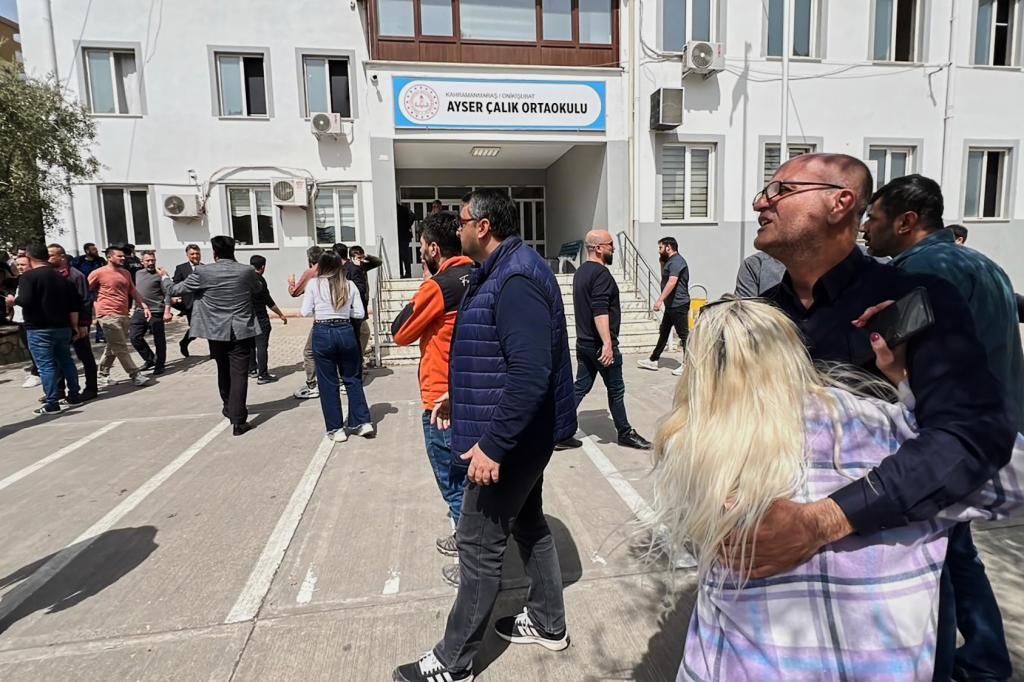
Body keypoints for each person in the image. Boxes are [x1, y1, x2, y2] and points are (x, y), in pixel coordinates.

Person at [747, 152, 1017, 681]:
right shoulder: (759, 316)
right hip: (781, 613)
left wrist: (822, 520)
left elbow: (971, 436)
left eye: (778, 191)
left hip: (889, 609)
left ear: (839, 203)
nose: (760, 202)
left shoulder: (914, 297)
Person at [651, 298, 1024, 679]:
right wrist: (912, 385)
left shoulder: (690, 452)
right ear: (794, 352)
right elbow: (1015, 480)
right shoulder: (893, 432)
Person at [394, 189, 577, 682]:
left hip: (511, 440)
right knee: (530, 524)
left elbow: (530, 372)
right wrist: (460, 396)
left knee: (477, 546)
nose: (457, 229)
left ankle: (454, 662)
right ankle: (547, 622)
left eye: (462, 221)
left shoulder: (514, 278)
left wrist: (494, 445)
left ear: (484, 227)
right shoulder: (500, 270)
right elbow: (496, 357)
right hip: (520, 432)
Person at [862, 174, 1024, 680]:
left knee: (932, 556)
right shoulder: (978, 261)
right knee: (957, 552)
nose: (866, 226)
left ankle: (944, 665)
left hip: (951, 435)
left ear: (906, 221)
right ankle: (985, 658)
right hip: (997, 428)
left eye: (874, 216)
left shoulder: (921, 271)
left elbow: (895, 356)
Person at [390, 211, 474, 582]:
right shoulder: (480, 272)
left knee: (455, 484)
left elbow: (400, 332)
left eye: (422, 246)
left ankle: (472, 563)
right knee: (470, 481)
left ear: (434, 249)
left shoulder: (441, 285)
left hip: (442, 401)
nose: (420, 251)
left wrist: (427, 284)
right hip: (473, 392)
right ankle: (466, 539)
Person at [560, 229, 651, 451]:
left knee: (580, 386)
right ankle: (625, 432)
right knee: (616, 389)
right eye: (610, 244)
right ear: (598, 248)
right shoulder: (601, 274)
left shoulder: (581, 272)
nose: (614, 248)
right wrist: (608, 344)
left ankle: (559, 431)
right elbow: (599, 310)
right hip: (600, 345)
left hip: (584, 342)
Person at [169, 236, 260, 436]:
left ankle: (229, 407)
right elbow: (257, 289)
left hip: (216, 331)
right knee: (239, 374)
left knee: (223, 369)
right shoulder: (247, 271)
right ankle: (238, 420)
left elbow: (175, 289)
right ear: (233, 250)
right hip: (241, 330)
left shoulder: (203, 272)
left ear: (214, 253)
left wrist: (164, 277)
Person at [300, 251, 372, 442]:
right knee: (352, 378)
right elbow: (359, 313)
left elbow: (305, 311)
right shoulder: (349, 285)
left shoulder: (314, 284)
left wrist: (321, 308)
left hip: (323, 331)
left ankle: (336, 428)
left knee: (328, 382)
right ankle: (362, 422)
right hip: (345, 330)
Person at [13, 244, 83, 415]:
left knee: (46, 366)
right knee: (66, 361)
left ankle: (52, 402)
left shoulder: (29, 277)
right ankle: (74, 395)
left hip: (39, 328)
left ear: (30, 257)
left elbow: (26, 300)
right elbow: (74, 305)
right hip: (62, 326)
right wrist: (75, 327)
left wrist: (12, 301)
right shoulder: (62, 276)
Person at [88, 246, 153, 388]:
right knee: (120, 346)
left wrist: (144, 306)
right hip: (107, 315)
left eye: (123, 256)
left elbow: (132, 290)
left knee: (113, 346)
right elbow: (85, 289)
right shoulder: (98, 273)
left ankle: (102, 375)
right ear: (109, 257)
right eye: (119, 256)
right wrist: (93, 308)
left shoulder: (125, 273)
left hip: (123, 313)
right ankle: (135, 375)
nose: (123, 258)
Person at [48, 244, 98, 401]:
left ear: (61, 256)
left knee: (84, 354)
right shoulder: (49, 275)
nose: (48, 258)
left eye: (51, 255)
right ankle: (59, 389)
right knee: (57, 356)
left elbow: (85, 301)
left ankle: (91, 388)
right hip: (58, 323)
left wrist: (83, 324)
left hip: (78, 323)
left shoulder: (76, 276)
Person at [637, 237, 690, 376]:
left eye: (661, 248)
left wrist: (659, 300)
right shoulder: (669, 262)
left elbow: (672, 282)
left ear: (669, 247)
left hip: (679, 303)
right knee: (664, 331)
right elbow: (664, 278)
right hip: (671, 304)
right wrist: (661, 262)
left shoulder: (677, 261)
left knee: (684, 335)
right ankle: (653, 360)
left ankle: (688, 364)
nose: (659, 250)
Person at [127, 250, 173, 376]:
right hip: (140, 310)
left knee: (159, 340)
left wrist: (167, 311)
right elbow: (135, 292)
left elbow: (168, 293)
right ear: (142, 262)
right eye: (148, 260)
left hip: (157, 311)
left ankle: (160, 364)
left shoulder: (160, 274)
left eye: (153, 260)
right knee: (134, 337)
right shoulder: (137, 273)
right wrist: (132, 308)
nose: (151, 263)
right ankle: (150, 359)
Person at [288, 245, 325, 399]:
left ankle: (312, 385)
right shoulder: (334, 271)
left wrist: (291, 282)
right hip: (341, 318)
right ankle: (339, 381)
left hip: (321, 319)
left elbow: (295, 292)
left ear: (310, 258)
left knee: (309, 352)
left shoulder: (311, 273)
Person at [249, 255, 287, 384]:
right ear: (263, 267)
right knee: (261, 346)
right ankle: (263, 374)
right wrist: (281, 314)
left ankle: (252, 369)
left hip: (247, 317)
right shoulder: (260, 280)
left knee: (250, 345)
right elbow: (268, 301)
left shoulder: (244, 279)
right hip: (260, 317)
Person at [6, 254, 41, 388]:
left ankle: (37, 373)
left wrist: (13, 301)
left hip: (31, 320)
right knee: (30, 348)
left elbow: (28, 300)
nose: (20, 267)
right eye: (18, 265)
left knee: (35, 348)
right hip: (21, 319)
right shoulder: (21, 279)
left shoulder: (32, 279)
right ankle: (36, 370)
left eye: (23, 265)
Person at [349, 245, 383, 358]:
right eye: (358, 258)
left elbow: (378, 262)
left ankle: (358, 356)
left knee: (361, 333)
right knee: (364, 332)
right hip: (355, 307)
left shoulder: (362, 266)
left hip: (362, 304)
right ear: (352, 258)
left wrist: (366, 256)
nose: (360, 260)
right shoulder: (350, 268)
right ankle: (358, 357)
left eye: (361, 257)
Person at [172, 244, 203, 358]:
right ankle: (184, 343)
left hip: (204, 303)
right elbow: (176, 283)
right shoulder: (181, 268)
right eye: (192, 254)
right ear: (187, 255)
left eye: (197, 253)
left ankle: (214, 353)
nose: (195, 256)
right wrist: (177, 296)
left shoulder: (205, 268)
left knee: (208, 327)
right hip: (189, 304)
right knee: (195, 329)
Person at [72, 242, 107, 342]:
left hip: (97, 291)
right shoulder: (78, 261)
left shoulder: (100, 261)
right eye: (93, 249)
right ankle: (83, 334)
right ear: (87, 250)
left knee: (100, 313)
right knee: (86, 313)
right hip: (83, 291)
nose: (96, 251)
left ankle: (100, 335)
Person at [397, 203, 414, 279]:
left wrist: (407, 225)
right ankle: (405, 273)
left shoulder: (402, 209)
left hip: (403, 236)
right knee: (403, 256)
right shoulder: (403, 209)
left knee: (404, 255)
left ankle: (406, 273)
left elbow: (412, 216)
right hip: (401, 236)